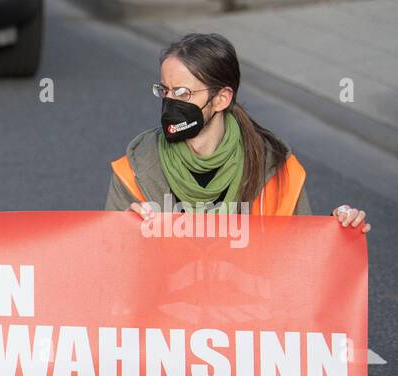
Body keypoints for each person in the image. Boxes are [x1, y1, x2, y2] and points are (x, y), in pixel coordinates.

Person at [108, 32, 370, 235]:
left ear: (221, 99)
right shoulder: (137, 167)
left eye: (182, 93)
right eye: (164, 90)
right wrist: (127, 230)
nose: (169, 102)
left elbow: (300, 258)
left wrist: (340, 230)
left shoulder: (275, 168)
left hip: (246, 305)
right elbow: (112, 262)